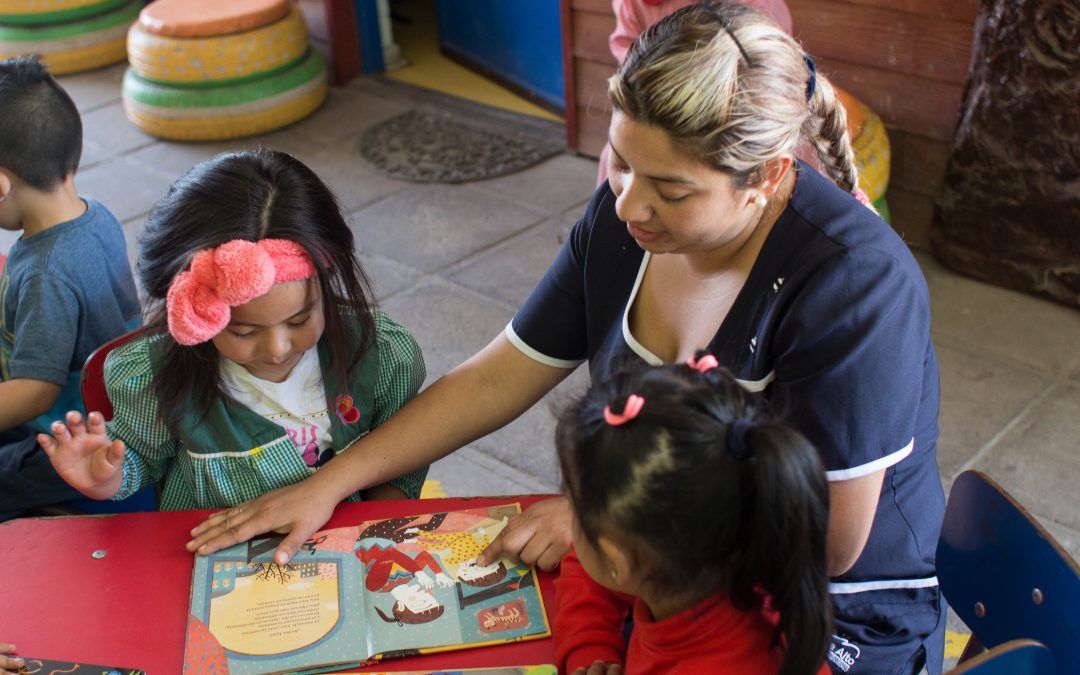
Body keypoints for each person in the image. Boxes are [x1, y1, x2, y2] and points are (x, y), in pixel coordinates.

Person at [189, 3, 946, 672]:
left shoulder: (855, 283)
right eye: (620, 162)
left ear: (768, 176)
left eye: (671, 188)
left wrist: (602, 521)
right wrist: (330, 483)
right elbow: (500, 373)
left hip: (825, 606)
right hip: (664, 571)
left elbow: (831, 544)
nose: (628, 205)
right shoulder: (624, 225)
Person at [38, 148, 428, 510]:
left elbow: (403, 455)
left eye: (299, 320)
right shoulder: (158, 374)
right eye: (243, 332)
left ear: (325, 286)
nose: (276, 348)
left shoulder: (380, 355)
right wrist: (107, 476)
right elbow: (140, 458)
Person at [554, 357, 830, 675]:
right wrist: (591, 653)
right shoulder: (707, 563)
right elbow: (589, 566)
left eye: (573, 509)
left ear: (617, 560)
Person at [0, 55, 141, 521]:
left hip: (67, 438)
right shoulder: (93, 212)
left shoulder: (46, 272)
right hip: (103, 405)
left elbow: (35, 392)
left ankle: (56, 517)